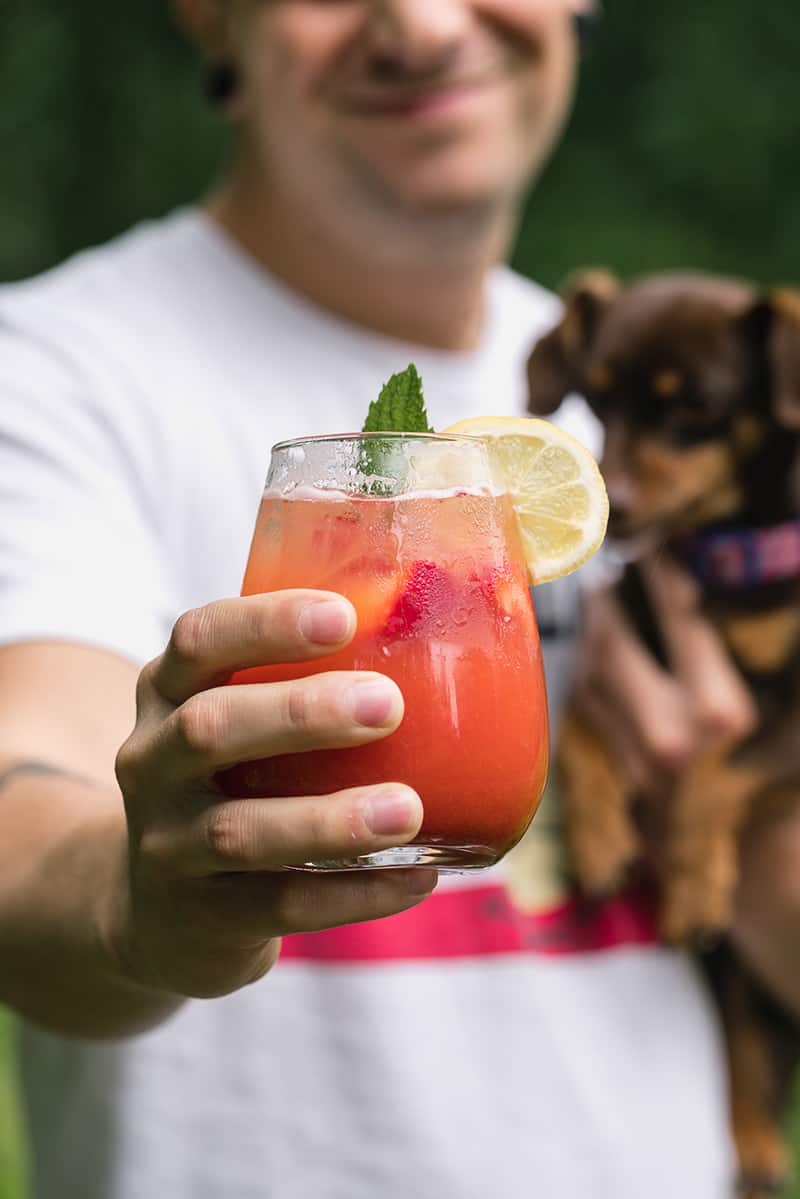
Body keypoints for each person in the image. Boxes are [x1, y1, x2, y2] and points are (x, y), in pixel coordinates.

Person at [0, 2, 797, 1196]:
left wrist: (736, 807)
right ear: (206, 16)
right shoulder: (52, 376)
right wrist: (136, 904)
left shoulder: (612, 399)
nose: (422, 26)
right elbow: (23, 811)